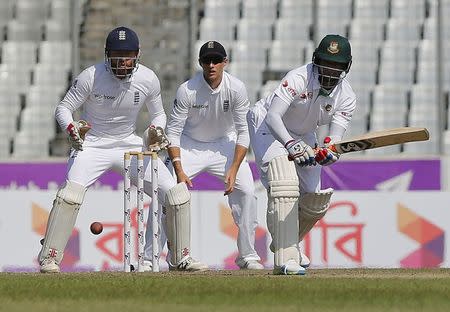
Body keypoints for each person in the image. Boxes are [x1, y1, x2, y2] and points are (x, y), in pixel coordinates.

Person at [38, 26, 207, 273]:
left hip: (129, 143)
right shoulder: (91, 76)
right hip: (92, 145)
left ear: (137, 55)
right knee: (69, 195)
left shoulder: (147, 78)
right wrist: (71, 127)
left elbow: (159, 114)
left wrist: (155, 131)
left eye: (127, 55)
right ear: (107, 55)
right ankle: (49, 257)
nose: (122, 61)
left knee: (175, 194)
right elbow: (63, 108)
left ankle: (181, 258)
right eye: (116, 54)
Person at [247, 34, 355, 275]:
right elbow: (273, 116)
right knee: (284, 185)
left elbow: (334, 139)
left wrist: (330, 152)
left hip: (305, 133)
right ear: (316, 60)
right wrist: (290, 144)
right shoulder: (298, 78)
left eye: (337, 66)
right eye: (326, 63)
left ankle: (288, 245)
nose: (330, 71)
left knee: (315, 201)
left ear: (346, 67)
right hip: (269, 126)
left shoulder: (346, 96)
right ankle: (286, 260)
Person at [160, 40, 263, 270]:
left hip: (225, 145)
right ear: (200, 63)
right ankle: (153, 257)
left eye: (217, 60)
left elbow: (244, 131)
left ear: (225, 62)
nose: (212, 65)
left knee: (247, 191)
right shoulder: (187, 90)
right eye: (207, 60)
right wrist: (179, 169)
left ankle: (247, 255)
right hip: (189, 145)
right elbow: (173, 132)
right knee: (167, 192)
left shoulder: (236, 88)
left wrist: (234, 169)